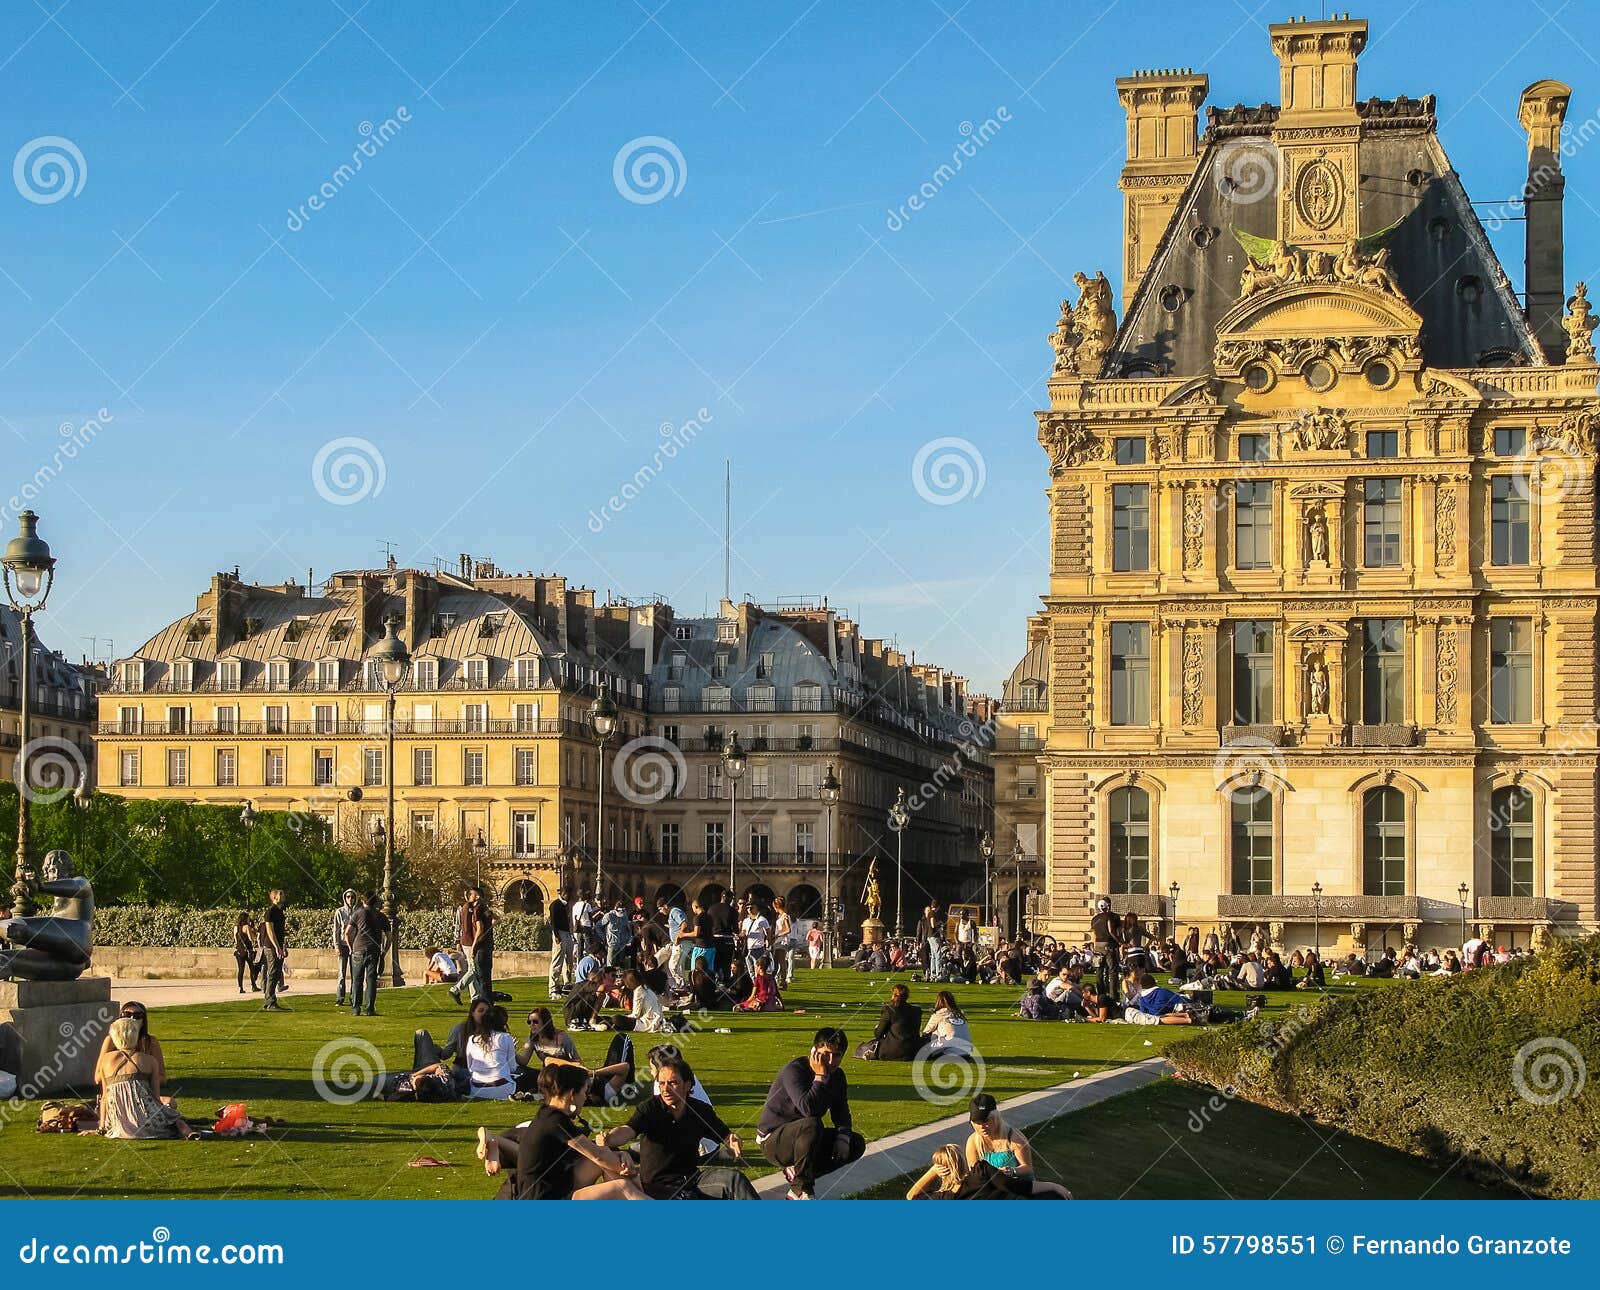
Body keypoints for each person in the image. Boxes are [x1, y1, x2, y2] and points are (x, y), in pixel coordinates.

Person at [477, 1063, 647, 1199]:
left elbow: (596, 1154)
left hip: (559, 1185)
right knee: (623, 1188)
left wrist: (620, 1158)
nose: (586, 1097)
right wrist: (628, 1168)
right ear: (572, 1094)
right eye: (584, 1091)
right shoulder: (556, 1122)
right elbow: (597, 1155)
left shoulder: (549, 1114)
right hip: (545, 1199)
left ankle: (643, 1196)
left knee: (611, 1166)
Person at [599, 1052, 758, 1199]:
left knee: (733, 1179)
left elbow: (724, 1135)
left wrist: (733, 1140)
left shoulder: (699, 1110)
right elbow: (627, 1130)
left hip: (693, 1179)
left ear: (687, 1085)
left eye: (672, 1083)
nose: (665, 1089)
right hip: (659, 1187)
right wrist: (609, 1138)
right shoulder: (650, 1108)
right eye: (661, 1083)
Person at [757, 1027, 865, 1200]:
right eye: (825, 1054)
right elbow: (808, 1109)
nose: (830, 1061)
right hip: (774, 1140)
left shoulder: (837, 1076)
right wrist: (820, 1077)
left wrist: (843, 1138)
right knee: (812, 1123)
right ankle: (802, 1189)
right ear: (814, 1051)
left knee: (856, 1143)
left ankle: (797, 1177)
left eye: (836, 1056)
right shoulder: (795, 1070)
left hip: (806, 1138)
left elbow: (841, 1111)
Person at [95, 1016, 197, 1140]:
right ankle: (186, 1130)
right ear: (135, 1035)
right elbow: (155, 1096)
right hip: (146, 1121)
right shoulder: (149, 1060)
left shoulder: (106, 1060)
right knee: (174, 1116)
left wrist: (101, 1127)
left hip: (119, 1123)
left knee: (170, 1112)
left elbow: (105, 1096)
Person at [964, 1094, 1071, 1198]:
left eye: (986, 1120)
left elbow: (1028, 1168)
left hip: (1019, 1186)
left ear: (996, 1118)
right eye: (977, 1122)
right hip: (994, 1190)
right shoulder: (973, 1141)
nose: (982, 1126)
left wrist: (1012, 1171)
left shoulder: (1014, 1137)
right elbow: (975, 1175)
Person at [346, 891, 389, 1017]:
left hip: (358, 949)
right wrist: (384, 951)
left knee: (357, 980)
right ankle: (370, 1008)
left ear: (363, 901)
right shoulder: (381, 916)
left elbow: (347, 933)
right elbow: (389, 937)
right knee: (371, 980)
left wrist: (350, 948)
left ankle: (356, 1008)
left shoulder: (357, 913)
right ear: (375, 902)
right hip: (374, 950)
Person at [857, 982, 924, 1060]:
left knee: (863, 1048)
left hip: (893, 1050)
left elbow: (878, 1034)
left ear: (894, 995)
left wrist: (877, 1028)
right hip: (913, 1051)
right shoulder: (916, 1010)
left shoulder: (889, 1010)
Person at [464, 1004, 518, 1099]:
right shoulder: (505, 1037)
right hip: (501, 1088)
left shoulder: (472, 1039)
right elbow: (512, 1067)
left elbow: (470, 1068)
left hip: (476, 1089)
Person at [452, 887, 494, 1005]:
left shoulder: (476, 909)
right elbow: (460, 926)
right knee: (474, 969)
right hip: (470, 942)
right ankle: (458, 990)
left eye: (471, 894)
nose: (469, 896)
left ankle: (474, 996)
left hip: (471, 941)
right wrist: (458, 941)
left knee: (474, 969)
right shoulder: (468, 909)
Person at [612, 968, 674, 1033]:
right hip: (657, 1019)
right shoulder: (647, 988)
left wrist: (626, 1016)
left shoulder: (638, 991)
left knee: (616, 1019)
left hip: (647, 1023)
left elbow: (636, 1015)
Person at [907, 1143, 973, 1198]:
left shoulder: (941, 1197)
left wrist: (932, 1171)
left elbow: (911, 1196)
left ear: (941, 1171)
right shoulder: (977, 1184)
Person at [922, 990, 974, 1059]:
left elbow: (926, 1032)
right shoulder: (960, 1014)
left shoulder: (939, 1014)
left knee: (933, 1032)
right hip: (966, 1051)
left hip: (948, 1051)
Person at [260, 890, 289, 1012]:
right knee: (272, 973)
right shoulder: (270, 911)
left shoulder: (280, 911)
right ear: (274, 897)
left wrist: (283, 946)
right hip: (271, 947)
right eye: (281, 894)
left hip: (277, 946)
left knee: (276, 973)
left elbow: (280, 932)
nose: (283, 895)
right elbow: (270, 931)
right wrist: (276, 947)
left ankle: (270, 1001)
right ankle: (270, 1002)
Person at [1089, 897, 1121, 1006]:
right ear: (1108, 906)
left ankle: (1101, 994)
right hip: (1108, 945)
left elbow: (1093, 934)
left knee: (1099, 971)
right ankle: (1113, 996)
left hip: (1097, 945)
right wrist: (1119, 941)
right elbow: (1111, 931)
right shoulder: (1109, 917)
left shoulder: (1094, 919)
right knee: (1112, 971)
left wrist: (1093, 946)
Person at [332, 889, 360, 1007]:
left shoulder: (358, 912)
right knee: (342, 974)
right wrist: (336, 945)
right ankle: (340, 997)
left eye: (352, 897)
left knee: (355, 974)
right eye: (348, 897)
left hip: (354, 945)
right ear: (345, 898)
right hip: (343, 945)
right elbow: (336, 930)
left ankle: (353, 997)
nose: (350, 899)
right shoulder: (340, 912)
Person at [547, 888, 575, 997]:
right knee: (557, 961)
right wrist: (557, 936)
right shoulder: (555, 905)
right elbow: (553, 921)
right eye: (569, 895)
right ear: (564, 894)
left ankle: (567, 984)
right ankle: (553, 987)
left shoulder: (565, 905)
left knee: (569, 962)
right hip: (560, 933)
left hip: (567, 933)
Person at [600, 899, 633, 969]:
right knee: (610, 965)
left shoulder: (625, 916)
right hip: (612, 944)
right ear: (615, 910)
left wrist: (628, 939)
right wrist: (604, 938)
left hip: (622, 944)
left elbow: (628, 928)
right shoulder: (608, 916)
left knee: (620, 964)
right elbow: (598, 927)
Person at [233, 913, 260, 994]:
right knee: (252, 968)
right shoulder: (247, 927)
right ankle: (253, 986)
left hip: (239, 951)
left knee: (241, 970)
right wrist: (252, 930)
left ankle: (240, 987)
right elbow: (252, 939)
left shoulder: (235, 928)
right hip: (247, 951)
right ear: (246, 919)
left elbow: (235, 939)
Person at [771, 896, 795, 986]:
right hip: (778, 941)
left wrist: (777, 935)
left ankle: (783, 981)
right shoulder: (780, 916)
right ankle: (776, 980)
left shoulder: (784, 916)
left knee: (781, 962)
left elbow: (788, 929)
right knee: (776, 962)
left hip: (782, 941)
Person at [917, 903, 944, 981]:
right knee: (938, 954)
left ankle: (933, 974)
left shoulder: (929, 914)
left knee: (933, 955)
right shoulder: (933, 913)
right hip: (934, 936)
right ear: (937, 907)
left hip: (929, 936)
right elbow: (933, 925)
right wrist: (939, 923)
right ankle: (938, 974)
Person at [741, 899, 771, 966]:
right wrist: (739, 935)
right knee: (750, 971)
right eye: (748, 908)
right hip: (748, 948)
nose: (749, 909)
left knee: (758, 969)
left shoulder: (762, 920)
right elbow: (743, 932)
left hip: (758, 948)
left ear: (756, 908)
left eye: (751, 907)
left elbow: (768, 933)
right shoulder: (746, 921)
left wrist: (768, 943)